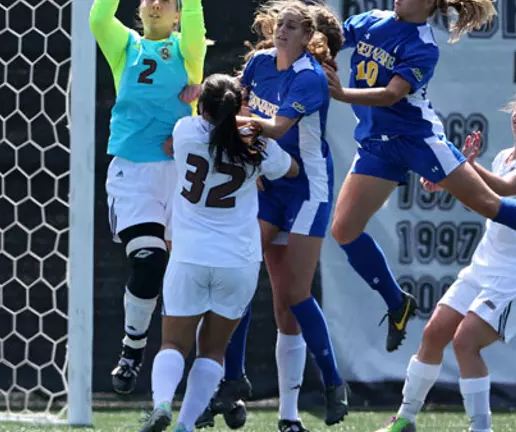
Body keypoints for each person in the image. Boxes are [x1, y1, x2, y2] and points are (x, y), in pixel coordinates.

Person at [321, 0, 503, 355]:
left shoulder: (422, 44)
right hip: (377, 144)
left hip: (416, 139)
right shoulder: (371, 20)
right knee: (343, 230)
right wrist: (310, 43)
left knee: (488, 204)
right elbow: (330, 42)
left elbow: (392, 95)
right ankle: (397, 303)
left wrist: (340, 93)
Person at [212, 1, 347, 430]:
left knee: (292, 296)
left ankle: (328, 384)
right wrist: (215, 101)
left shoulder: (309, 77)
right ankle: (233, 381)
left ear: (308, 38)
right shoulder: (258, 64)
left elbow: (274, 129)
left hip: (308, 188)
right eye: (281, 25)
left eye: (293, 27)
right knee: (239, 272)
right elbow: (242, 103)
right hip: (270, 186)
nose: (284, 32)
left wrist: (220, 118)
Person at [140, 73, 299, 432]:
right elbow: (291, 169)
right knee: (212, 351)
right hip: (238, 260)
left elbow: (185, 135)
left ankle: (163, 402)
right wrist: (255, 127)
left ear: (202, 107)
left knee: (172, 343)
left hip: (190, 255)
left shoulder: (185, 132)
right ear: (237, 106)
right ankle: (184, 425)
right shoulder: (255, 142)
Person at [377, 88, 516, 432]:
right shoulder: (504, 156)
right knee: (434, 333)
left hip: (515, 276)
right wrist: (450, 182)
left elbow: (501, 191)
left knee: (465, 342)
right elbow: (481, 203)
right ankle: (405, 419)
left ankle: (481, 428)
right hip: (482, 266)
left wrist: (460, 168)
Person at [89, 0, 207, 394]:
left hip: (180, 172)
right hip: (133, 173)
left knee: (187, 277)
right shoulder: (126, 47)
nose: (156, 4)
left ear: (177, 13)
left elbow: (194, 17)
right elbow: (99, 18)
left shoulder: (188, 50)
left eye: (168, 1)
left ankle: (207, 380)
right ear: (139, 9)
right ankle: (132, 349)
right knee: (149, 259)